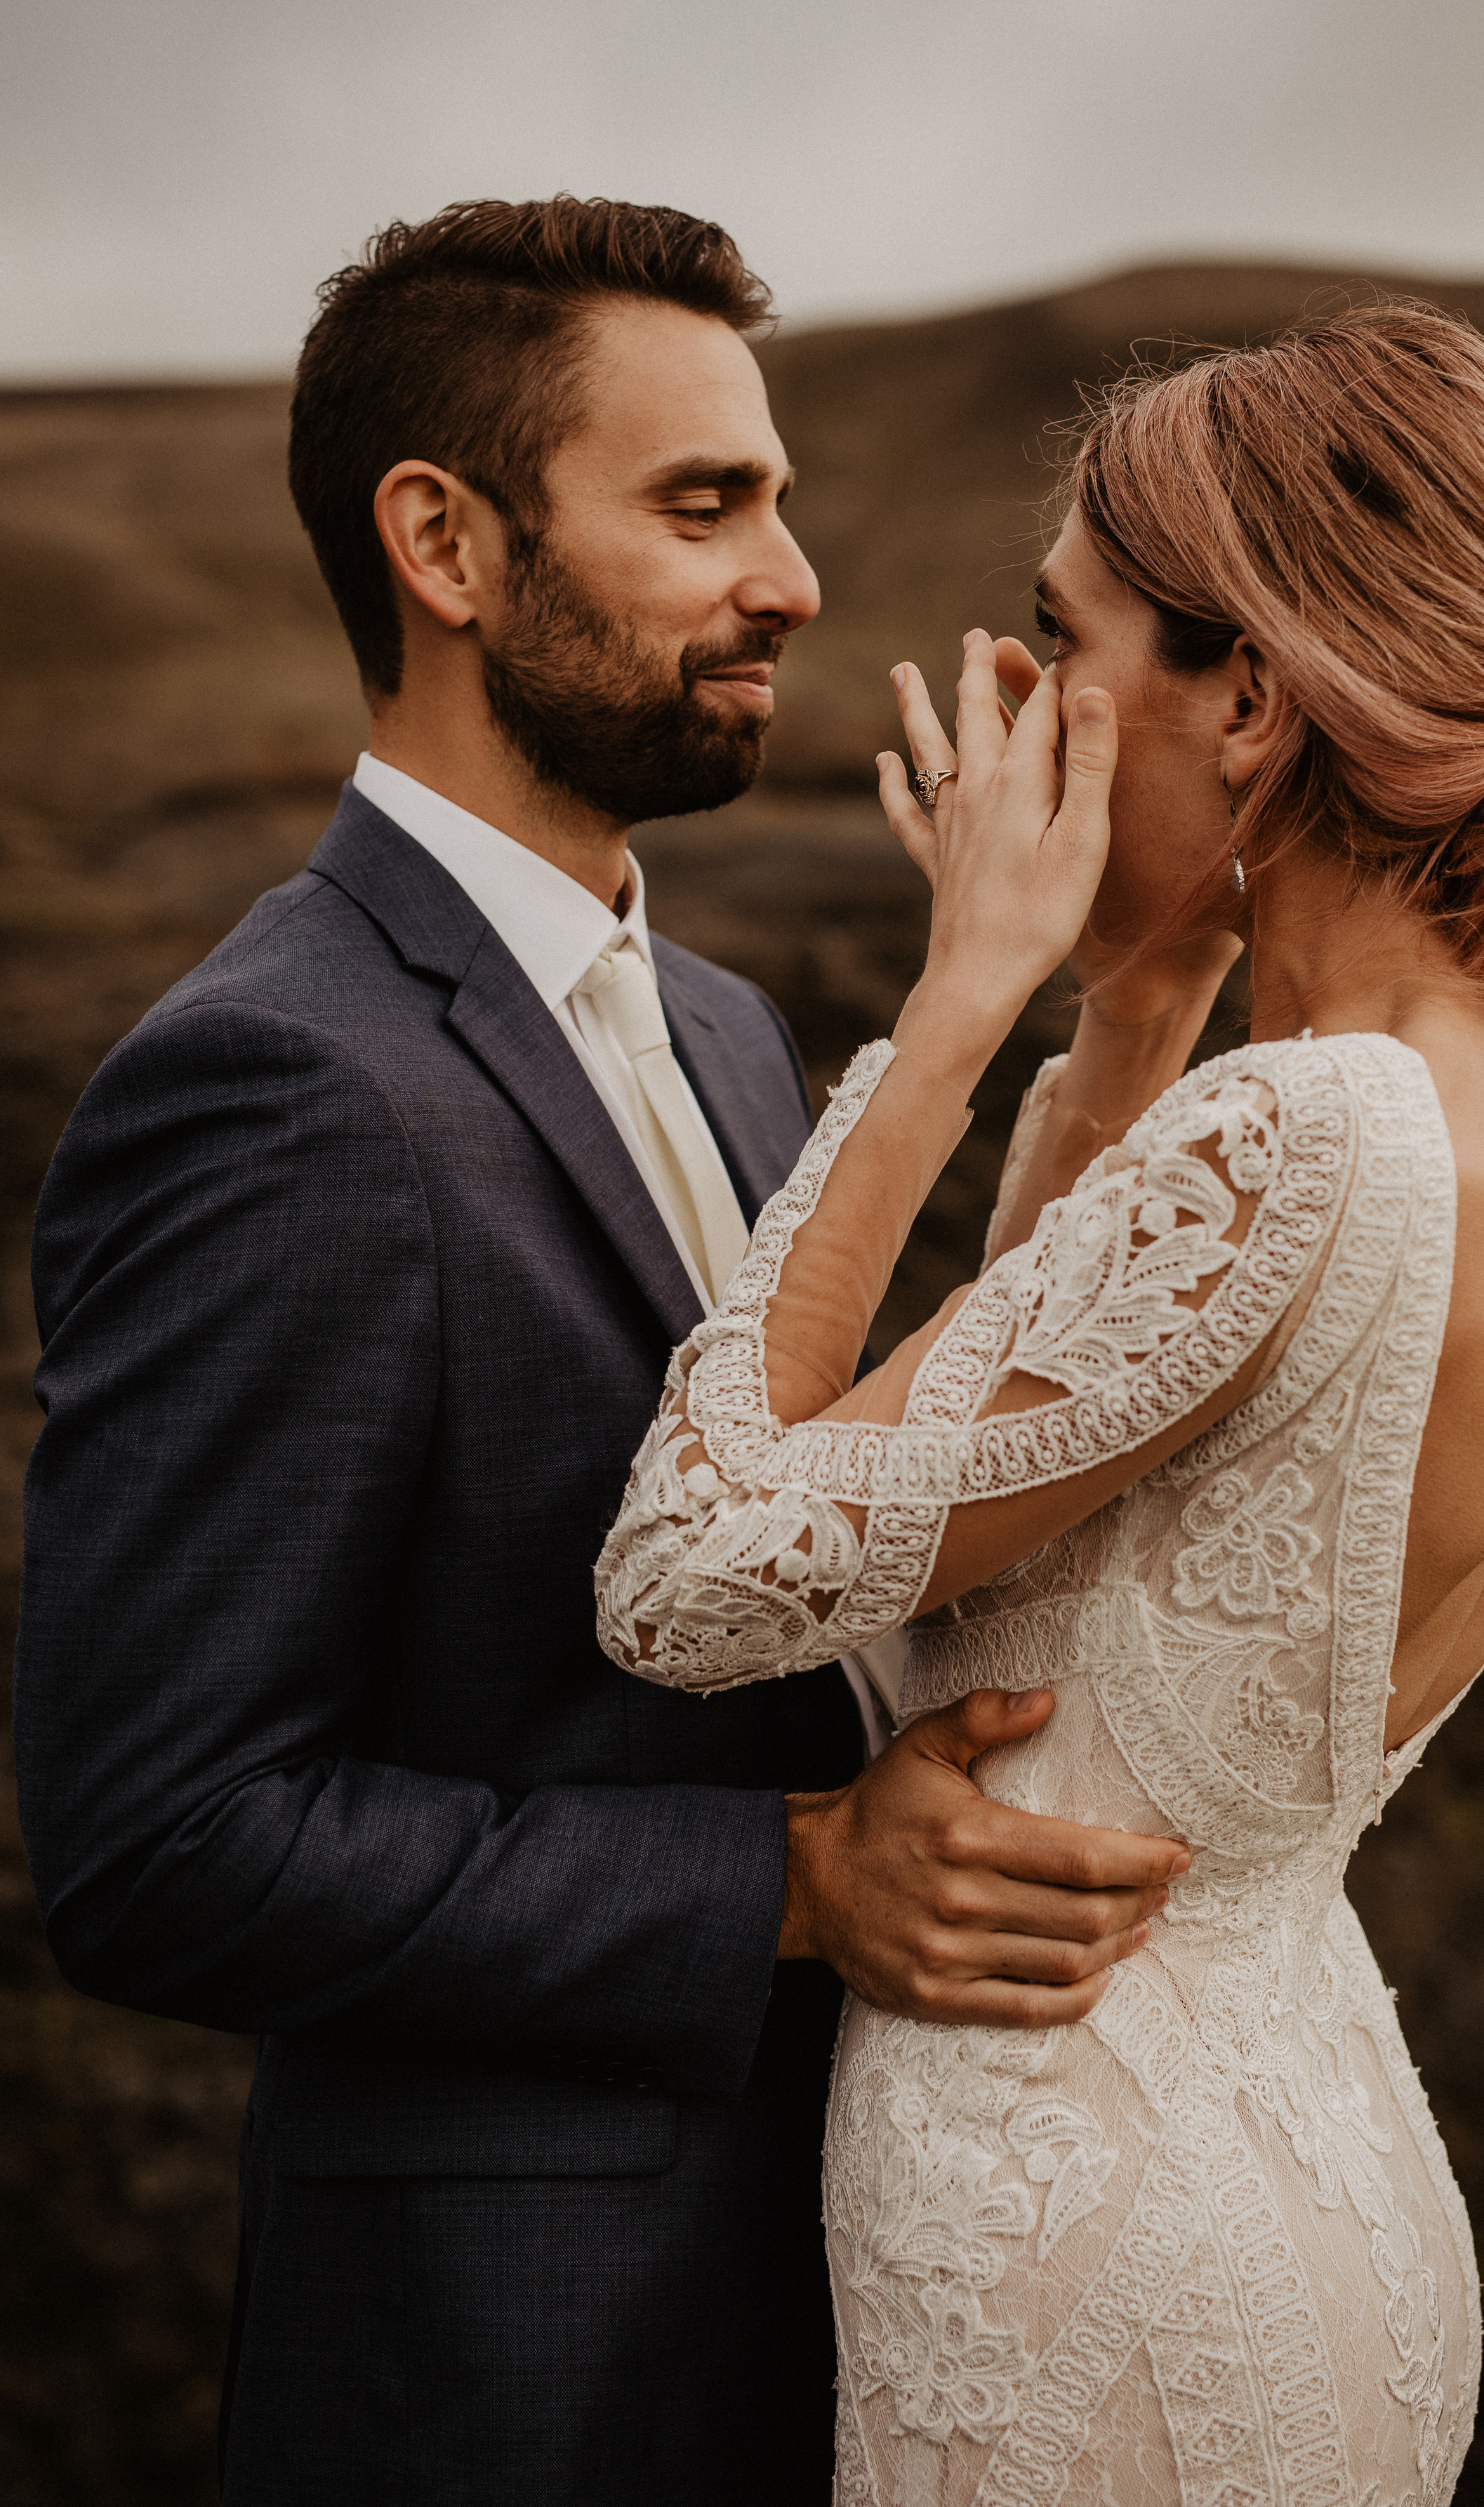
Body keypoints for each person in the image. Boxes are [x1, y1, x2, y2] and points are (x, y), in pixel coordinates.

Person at [13, 197, 1188, 2507]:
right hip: (509, 2381)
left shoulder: (740, 1037)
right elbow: (155, 1841)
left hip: (856, 2298)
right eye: (703, 505)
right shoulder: (273, 1084)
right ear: (444, 546)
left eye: (776, 497)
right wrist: (786, 1885)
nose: (797, 578)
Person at [596, 301, 1484, 2504]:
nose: (1012, 702)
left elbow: (689, 1584)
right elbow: (1081, 1442)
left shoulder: (1287, 1144)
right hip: (1308, 2178)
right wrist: (1135, 1001)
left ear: (1261, 703)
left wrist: (953, 1013)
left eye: (1059, 638)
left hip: (1082, 2258)